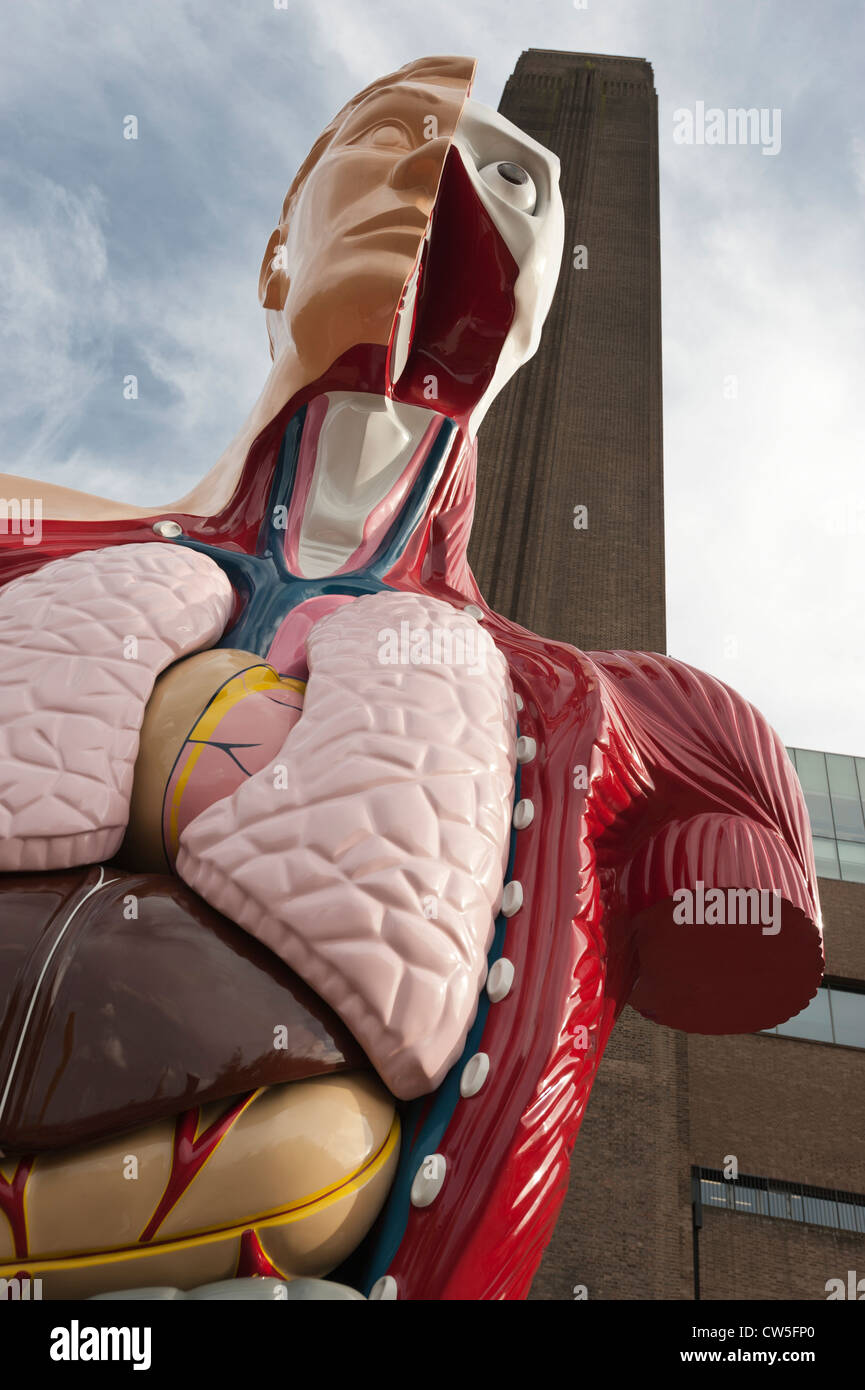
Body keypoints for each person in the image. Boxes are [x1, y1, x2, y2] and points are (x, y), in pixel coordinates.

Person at [0, 55, 822, 1300]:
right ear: (277, 255)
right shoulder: (40, 548)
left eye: (519, 176)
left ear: (539, 320)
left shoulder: (591, 714)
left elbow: (748, 887)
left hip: (259, 1220)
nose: (441, 164)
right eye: (389, 130)